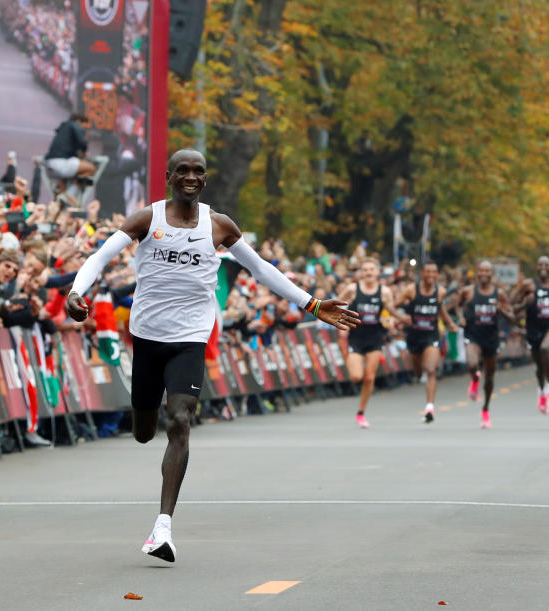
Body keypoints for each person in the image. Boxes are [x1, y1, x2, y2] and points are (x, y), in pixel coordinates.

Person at [65, 149, 359, 563]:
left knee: (180, 421)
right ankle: (142, 420)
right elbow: (99, 257)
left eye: (198, 171)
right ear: (169, 176)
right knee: (144, 430)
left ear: (205, 179)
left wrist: (310, 304)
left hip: (191, 338)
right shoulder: (147, 219)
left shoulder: (218, 225)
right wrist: (77, 292)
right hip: (148, 337)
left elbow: (262, 270)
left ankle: (162, 528)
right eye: (182, 170)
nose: (190, 176)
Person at [337, 258, 404, 429]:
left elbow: (389, 311)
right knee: (356, 376)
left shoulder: (385, 292)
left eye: (371, 269)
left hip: (375, 336)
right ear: (361, 273)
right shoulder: (353, 289)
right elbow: (336, 304)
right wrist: (341, 324)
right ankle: (350, 359)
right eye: (365, 270)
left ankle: (361, 412)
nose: (368, 273)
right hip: (356, 337)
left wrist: (391, 322)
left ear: (377, 272)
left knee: (369, 377)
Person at [395, 260, 457, 423]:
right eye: (428, 272)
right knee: (418, 372)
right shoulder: (411, 290)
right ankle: (419, 374)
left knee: (430, 369)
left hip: (432, 335)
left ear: (437, 274)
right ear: (422, 274)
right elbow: (393, 305)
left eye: (434, 272)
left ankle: (430, 407)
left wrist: (450, 323)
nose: (431, 275)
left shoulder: (440, 291)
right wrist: (401, 317)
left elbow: (440, 308)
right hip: (414, 336)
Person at [456, 261, 516, 428]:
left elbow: (512, 317)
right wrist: (461, 318)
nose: (483, 273)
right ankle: (474, 378)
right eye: (481, 270)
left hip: (491, 338)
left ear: (491, 274)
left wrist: (500, 309)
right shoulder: (468, 292)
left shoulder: (499, 294)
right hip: (473, 335)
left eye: (487, 271)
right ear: (477, 273)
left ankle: (485, 410)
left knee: (490, 376)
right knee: (472, 363)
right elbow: (458, 306)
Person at [513, 256, 549, 414]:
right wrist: (525, 303)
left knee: (545, 349)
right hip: (533, 329)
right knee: (539, 366)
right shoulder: (528, 285)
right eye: (540, 265)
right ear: (537, 268)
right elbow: (513, 305)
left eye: (547, 265)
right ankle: (542, 391)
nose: (544, 267)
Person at [45, 113, 96, 187]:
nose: (83, 129)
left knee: (66, 181)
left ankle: (62, 194)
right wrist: (84, 151)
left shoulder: (63, 129)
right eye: (83, 126)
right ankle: (72, 195)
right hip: (61, 164)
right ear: (78, 121)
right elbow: (82, 142)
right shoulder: (74, 125)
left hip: (50, 165)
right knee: (91, 168)